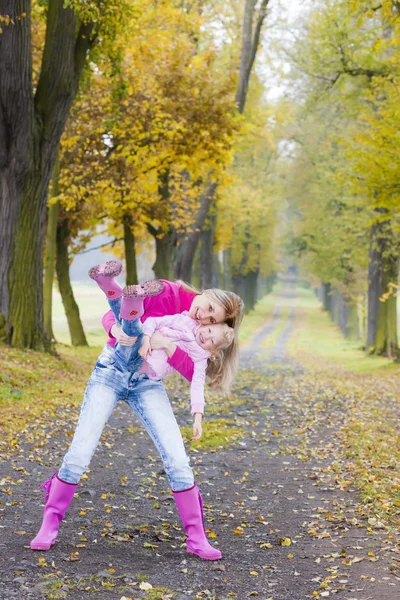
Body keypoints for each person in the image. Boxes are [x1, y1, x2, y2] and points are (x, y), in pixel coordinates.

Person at [30, 263, 244, 560]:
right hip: (112, 368)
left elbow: (190, 370)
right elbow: (110, 317)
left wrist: (167, 345)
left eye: (211, 319)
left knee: (177, 457)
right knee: (80, 451)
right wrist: (116, 328)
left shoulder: (203, 335)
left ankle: (196, 537)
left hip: (146, 381)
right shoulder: (168, 293)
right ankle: (49, 523)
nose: (203, 316)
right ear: (205, 293)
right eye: (207, 307)